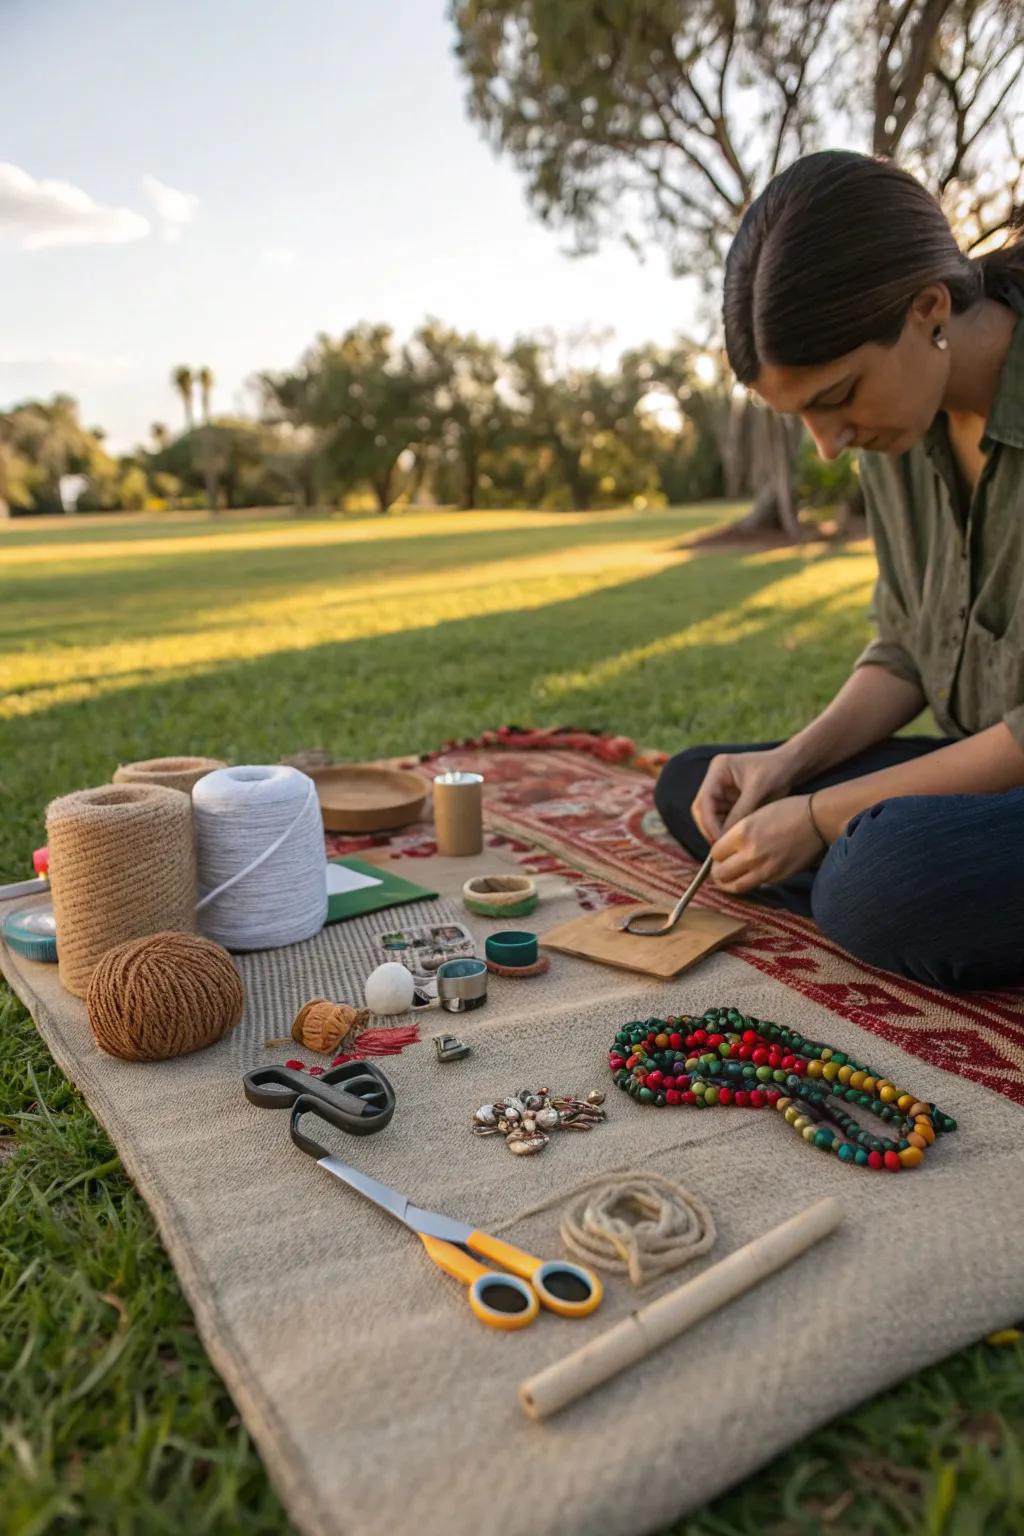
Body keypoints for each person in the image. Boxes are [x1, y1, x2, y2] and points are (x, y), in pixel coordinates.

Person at [655, 149, 1024, 992]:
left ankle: (864, 891)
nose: (828, 446)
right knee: (700, 791)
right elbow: (905, 650)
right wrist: (789, 766)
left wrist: (823, 817)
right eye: (803, 418)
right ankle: (865, 887)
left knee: (881, 878)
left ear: (929, 308)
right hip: (981, 771)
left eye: (837, 397)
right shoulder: (901, 430)